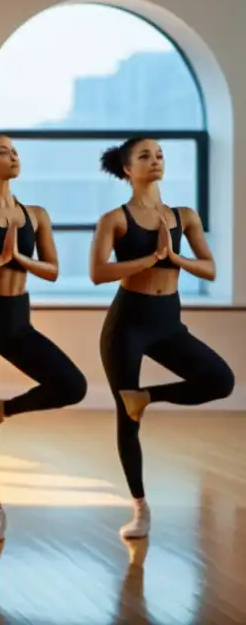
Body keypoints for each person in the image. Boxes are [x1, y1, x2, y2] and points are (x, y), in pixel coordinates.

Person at [0, 123, 87, 542]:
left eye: (15, 152)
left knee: (72, 384)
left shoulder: (36, 215)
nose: (14, 157)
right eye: (4, 152)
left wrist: (18, 257)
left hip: (17, 321)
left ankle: (0, 411)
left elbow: (53, 270)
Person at [91, 136, 234, 539]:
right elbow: (98, 273)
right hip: (127, 323)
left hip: (168, 322)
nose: (154, 161)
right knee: (126, 419)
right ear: (127, 169)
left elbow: (209, 269)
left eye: (159, 155)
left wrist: (175, 259)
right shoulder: (114, 220)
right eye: (144, 156)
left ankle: (147, 396)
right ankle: (139, 508)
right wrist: (149, 260)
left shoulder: (183, 216)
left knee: (221, 381)